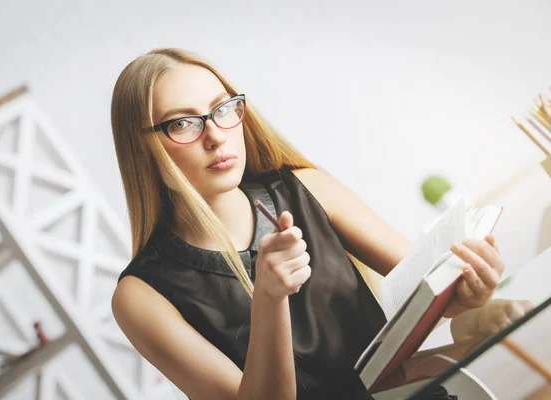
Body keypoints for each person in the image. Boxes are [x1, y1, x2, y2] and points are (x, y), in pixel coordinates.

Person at [110, 48, 505, 399]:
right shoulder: (140, 295)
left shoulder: (306, 188)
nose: (215, 136)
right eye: (181, 124)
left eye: (222, 109)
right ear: (141, 150)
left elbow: (433, 290)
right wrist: (269, 298)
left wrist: (472, 295)